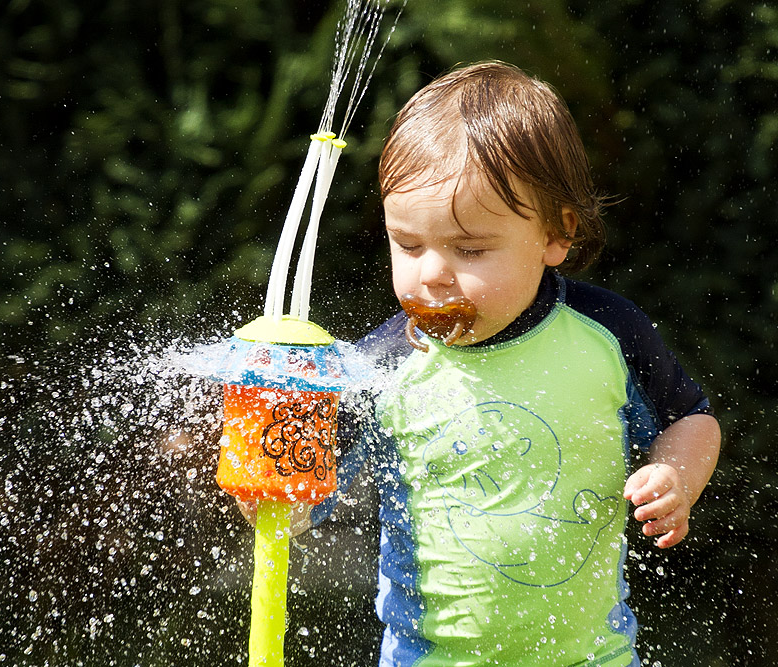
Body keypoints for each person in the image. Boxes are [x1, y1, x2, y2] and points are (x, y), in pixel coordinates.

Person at [305, 61, 721, 666]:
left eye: (469, 249)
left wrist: (677, 477)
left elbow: (693, 419)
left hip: (592, 656)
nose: (431, 273)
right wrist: (270, 474)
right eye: (409, 244)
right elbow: (300, 496)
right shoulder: (386, 364)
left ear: (557, 235)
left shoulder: (607, 333)